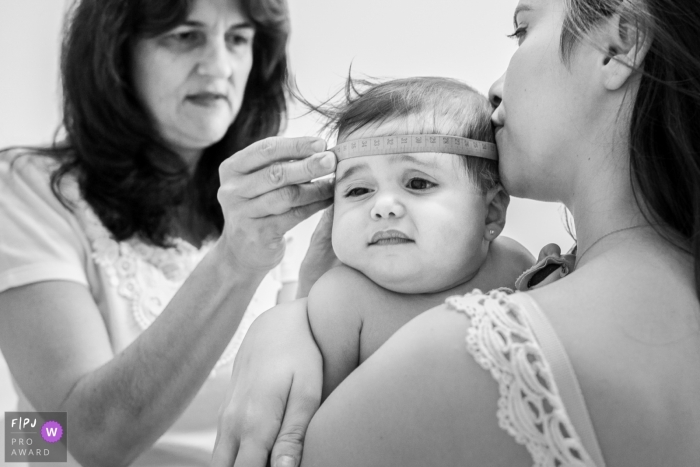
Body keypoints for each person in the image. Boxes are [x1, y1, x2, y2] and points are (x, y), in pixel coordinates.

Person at [211, 0, 700, 466]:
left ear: (620, 46)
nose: (494, 88)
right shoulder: (653, 292)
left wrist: (283, 327)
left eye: (523, 29)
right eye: (358, 190)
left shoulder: (468, 354)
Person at [0, 0, 338, 465]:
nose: (219, 66)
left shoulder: (267, 194)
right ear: (117, 54)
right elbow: (85, 438)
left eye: (238, 39)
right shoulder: (24, 186)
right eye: (185, 35)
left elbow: (287, 412)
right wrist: (235, 261)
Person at [305, 76, 534, 399]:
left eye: (418, 184)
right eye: (358, 190)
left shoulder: (515, 267)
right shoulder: (339, 302)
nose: (382, 207)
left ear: (491, 212)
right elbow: (313, 420)